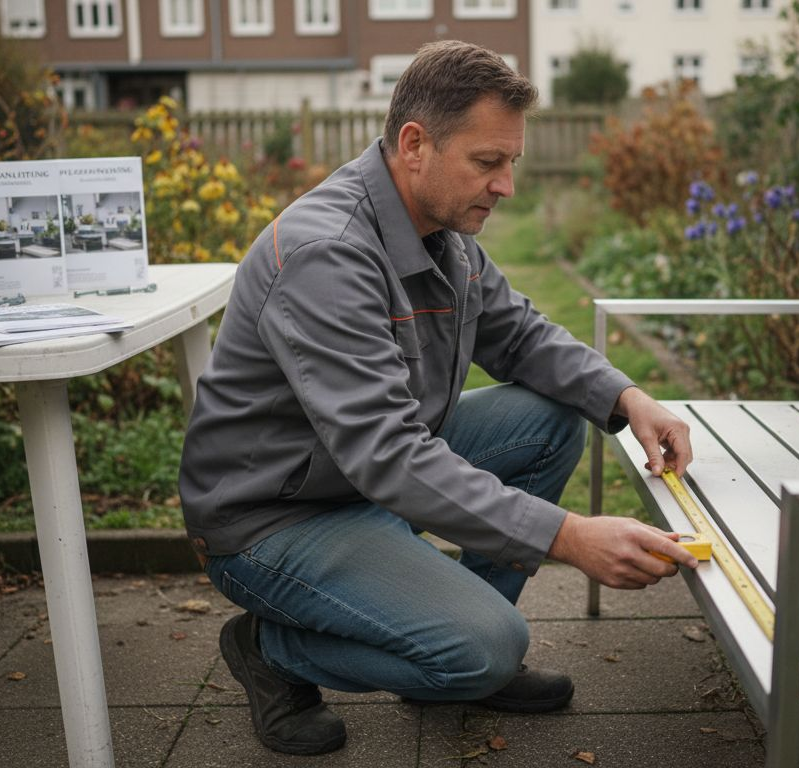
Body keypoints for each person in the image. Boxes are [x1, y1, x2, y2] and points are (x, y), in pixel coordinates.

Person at [178, 39, 697, 756]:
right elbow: (388, 454)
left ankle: (445, 636)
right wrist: (568, 536)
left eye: (510, 161)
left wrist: (628, 395)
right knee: (485, 647)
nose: (507, 184)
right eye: (489, 162)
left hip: (355, 482)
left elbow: (519, 335)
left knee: (550, 421)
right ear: (415, 144)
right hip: (273, 518)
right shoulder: (326, 252)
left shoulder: (441, 232)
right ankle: (275, 650)